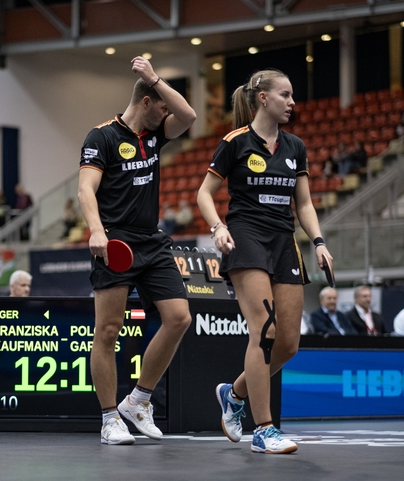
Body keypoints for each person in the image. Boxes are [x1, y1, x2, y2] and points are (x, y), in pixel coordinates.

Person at [196, 68, 332, 454]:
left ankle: (233, 394)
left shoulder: (295, 147)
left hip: (284, 241)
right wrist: (217, 227)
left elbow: (302, 203)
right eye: (285, 95)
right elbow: (204, 193)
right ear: (263, 98)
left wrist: (319, 242)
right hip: (246, 238)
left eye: (292, 96)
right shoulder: (235, 142)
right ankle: (264, 429)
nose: (292, 103)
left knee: (288, 344)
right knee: (265, 332)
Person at [77, 55, 196, 445]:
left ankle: (138, 400)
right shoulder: (102, 137)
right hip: (114, 241)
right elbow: (85, 190)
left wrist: (156, 79)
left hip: (151, 239)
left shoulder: (156, 134)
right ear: (145, 102)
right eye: (160, 103)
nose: (167, 111)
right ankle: (110, 417)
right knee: (108, 330)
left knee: (179, 318)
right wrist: (96, 231)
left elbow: (189, 115)